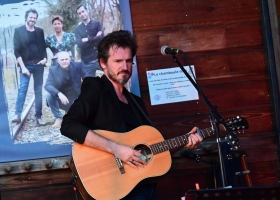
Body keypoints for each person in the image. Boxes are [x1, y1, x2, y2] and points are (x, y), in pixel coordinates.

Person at [60, 30, 202, 200]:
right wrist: (117, 149)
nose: (124, 67)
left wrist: (183, 142)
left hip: (141, 187)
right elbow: (68, 125)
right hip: (112, 186)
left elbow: (149, 151)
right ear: (103, 63)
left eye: (128, 61)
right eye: (118, 61)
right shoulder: (96, 88)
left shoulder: (136, 102)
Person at [11, 8, 47, 125]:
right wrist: (23, 68)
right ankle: (17, 114)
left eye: (35, 18)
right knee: (23, 89)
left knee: (38, 91)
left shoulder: (39, 31)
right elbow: (17, 51)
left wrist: (45, 59)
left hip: (39, 65)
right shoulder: (18, 31)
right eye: (31, 17)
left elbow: (43, 47)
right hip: (25, 65)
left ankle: (38, 117)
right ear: (26, 18)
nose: (33, 19)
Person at [44, 52, 83, 128]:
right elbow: (47, 85)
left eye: (66, 59)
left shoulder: (78, 66)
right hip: (61, 98)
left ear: (69, 59)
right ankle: (59, 117)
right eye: (62, 60)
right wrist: (59, 93)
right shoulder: (53, 70)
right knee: (48, 94)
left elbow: (87, 77)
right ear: (58, 61)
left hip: (75, 97)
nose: (64, 61)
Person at [74, 4, 104, 78]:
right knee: (89, 85)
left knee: (111, 79)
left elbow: (101, 38)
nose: (82, 14)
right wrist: (95, 38)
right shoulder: (78, 29)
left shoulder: (97, 24)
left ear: (87, 10)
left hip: (100, 58)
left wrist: (87, 39)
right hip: (87, 61)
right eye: (79, 13)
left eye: (83, 11)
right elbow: (79, 44)